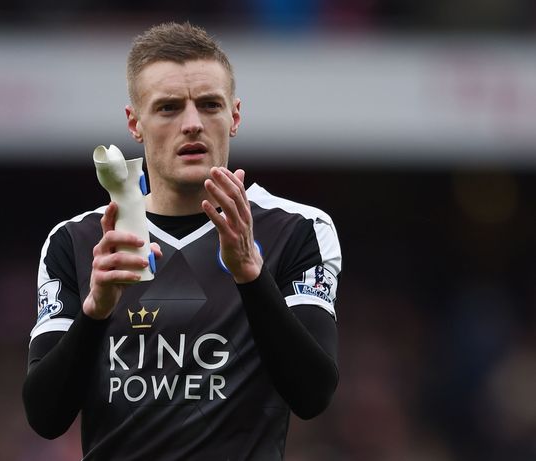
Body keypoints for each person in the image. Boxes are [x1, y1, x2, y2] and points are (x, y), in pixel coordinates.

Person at [23, 21, 341, 460]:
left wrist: (251, 273)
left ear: (234, 116)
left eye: (209, 104)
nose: (192, 124)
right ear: (135, 123)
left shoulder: (298, 228)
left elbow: (312, 396)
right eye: (169, 108)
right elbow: (45, 416)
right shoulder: (79, 241)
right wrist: (95, 311)